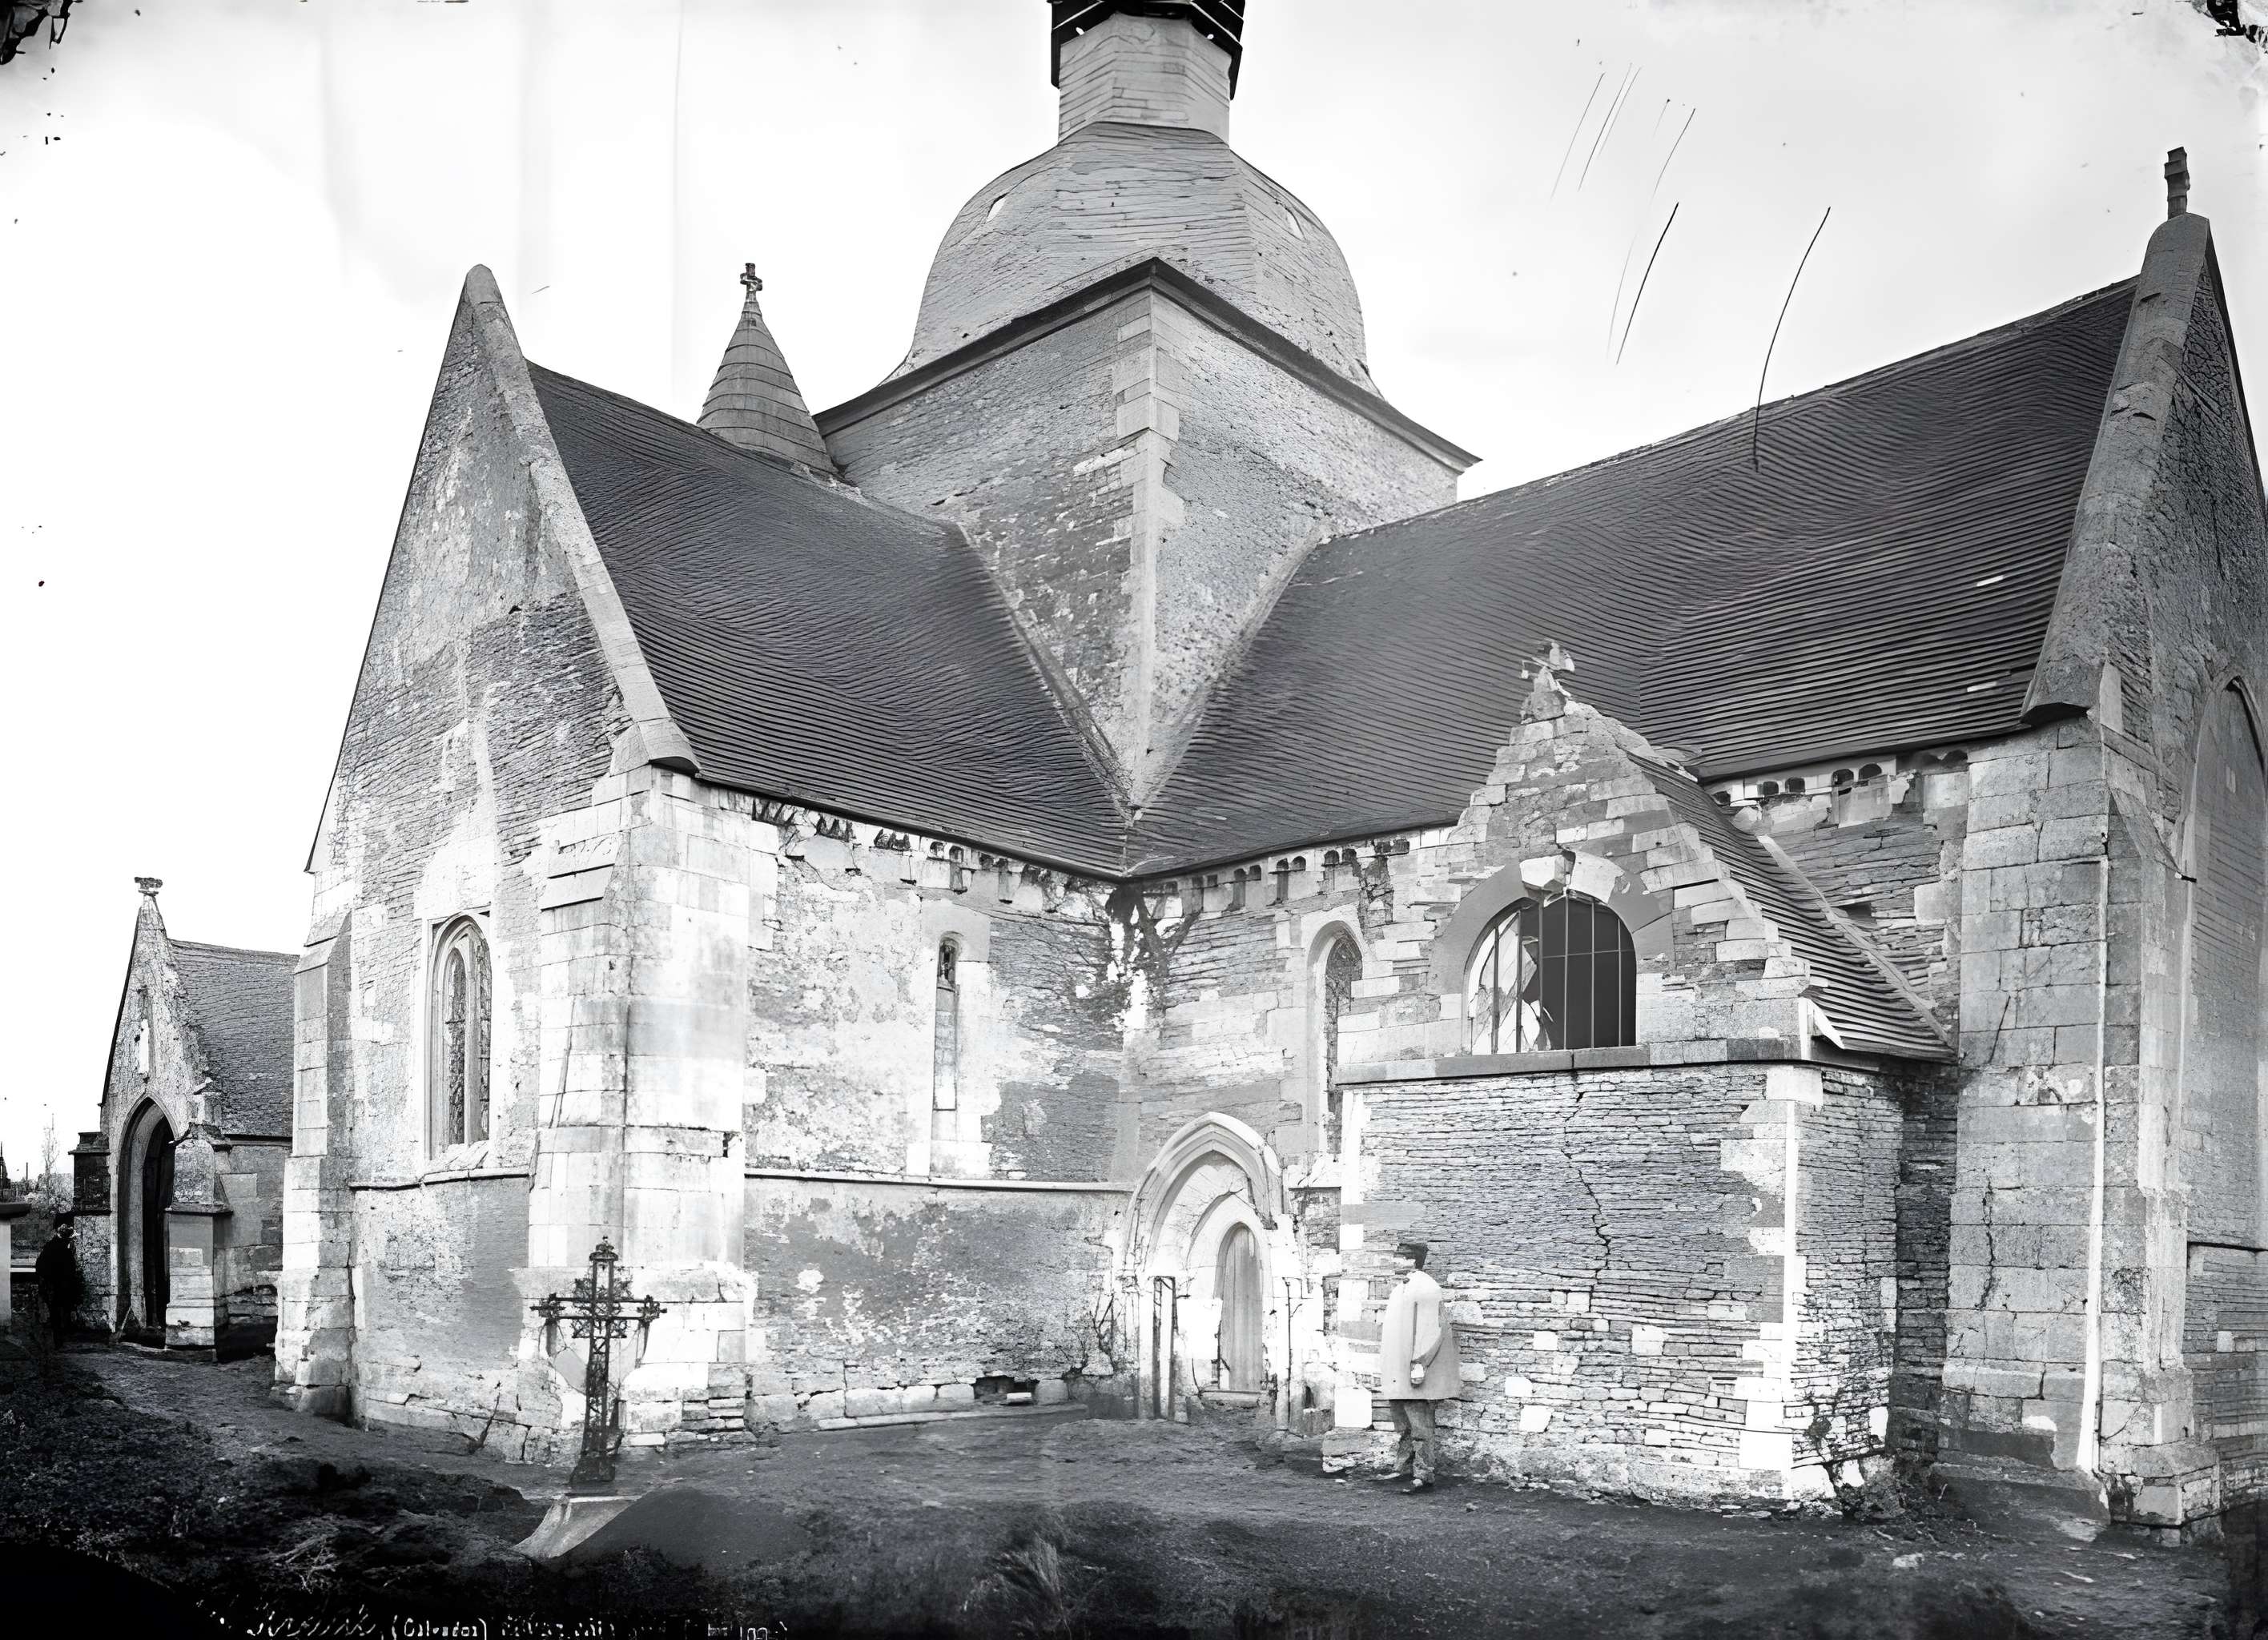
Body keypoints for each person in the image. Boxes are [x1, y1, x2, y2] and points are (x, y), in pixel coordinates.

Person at [1377, 1238, 1460, 1493]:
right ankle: (1403, 1469)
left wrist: (1419, 1364)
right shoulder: (1401, 1288)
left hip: (1415, 1372)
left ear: (1413, 1261)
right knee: (1405, 1426)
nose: (1394, 1262)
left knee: (1421, 1427)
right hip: (1398, 1373)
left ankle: (1424, 1476)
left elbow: (1429, 1331)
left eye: (1399, 1257)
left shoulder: (1425, 1287)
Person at [34, 1218, 82, 1349]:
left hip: (60, 1285)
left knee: (59, 1313)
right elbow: (42, 1267)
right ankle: (59, 1341)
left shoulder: (58, 1245)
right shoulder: (56, 1246)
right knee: (58, 1314)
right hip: (57, 1285)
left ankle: (60, 1340)